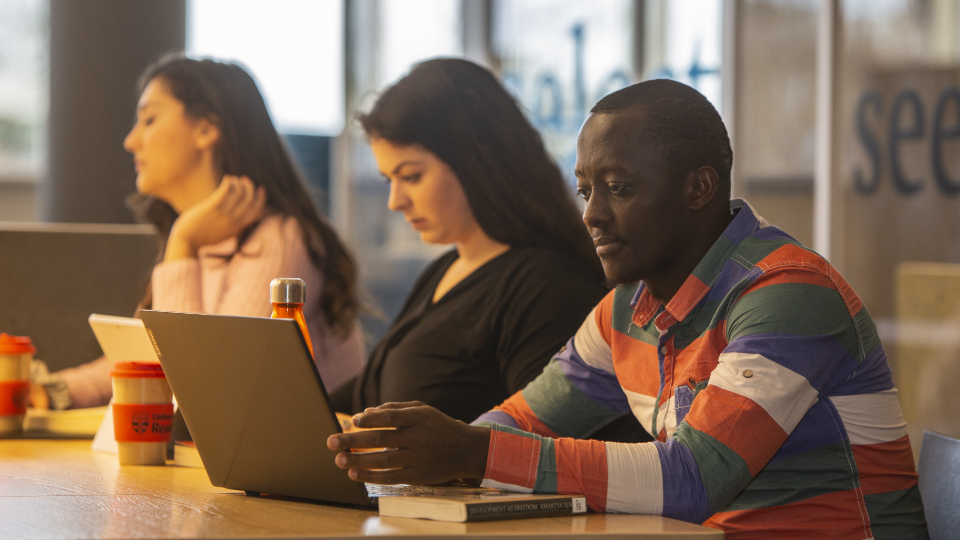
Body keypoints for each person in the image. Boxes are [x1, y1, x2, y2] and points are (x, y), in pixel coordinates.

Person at [326, 79, 928, 539]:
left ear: (699, 188)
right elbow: (522, 422)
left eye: (619, 187)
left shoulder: (789, 295)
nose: (591, 214)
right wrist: (412, 454)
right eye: (587, 189)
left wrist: (470, 452)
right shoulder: (625, 311)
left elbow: (692, 479)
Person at [31, 55, 365, 410]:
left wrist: (183, 241)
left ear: (206, 130)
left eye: (149, 119)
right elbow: (147, 357)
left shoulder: (281, 239)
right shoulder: (202, 243)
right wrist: (49, 391)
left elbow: (206, 392)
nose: (131, 141)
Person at [328, 58, 608, 424]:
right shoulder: (447, 269)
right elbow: (353, 402)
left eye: (411, 176)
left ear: (476, 161)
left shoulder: (548, 286)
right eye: (388, 180)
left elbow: (541, 449)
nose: (395, 201)